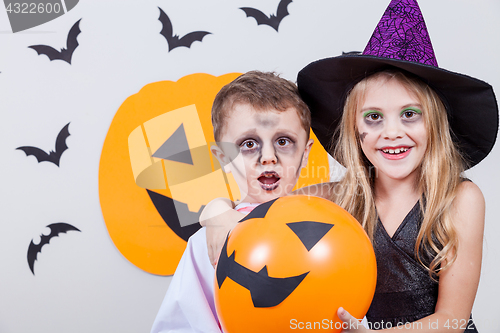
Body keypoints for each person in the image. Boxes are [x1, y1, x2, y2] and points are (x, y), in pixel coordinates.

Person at [203, 0, 498, 331]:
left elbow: (450, 321)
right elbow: (260, 210)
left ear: (435, 123)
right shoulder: (334, 199)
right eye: (373, 117)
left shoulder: (459, 198)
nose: (391, 133)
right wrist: (216, 212)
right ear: (355, 132)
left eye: (410, 114)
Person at [150, 70, 314, 333]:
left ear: (305, 154)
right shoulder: (206, 243)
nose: (268, 156)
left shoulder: (327, 229)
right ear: (223, 157)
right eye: (249, 144)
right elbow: (179, 325)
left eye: (283, 141)